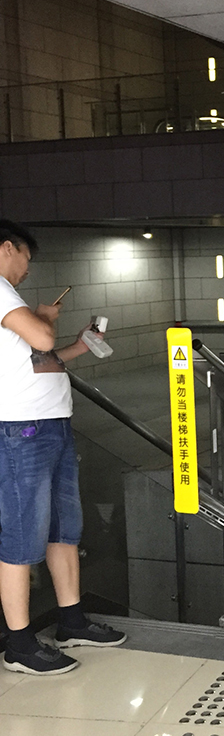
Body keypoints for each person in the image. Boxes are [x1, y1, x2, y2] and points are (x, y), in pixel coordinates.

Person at [0, 219, 125, 675]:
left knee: (63, 529)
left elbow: (42, 358)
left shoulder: (9, 298)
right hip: (20, 430)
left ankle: (72, 620)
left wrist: (79, 346)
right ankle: (19, 644)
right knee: (20, 535)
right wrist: (46, 320)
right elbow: (42, 338)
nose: (27, 268)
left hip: (51, 425)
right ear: (7, 247)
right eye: (26, 257)